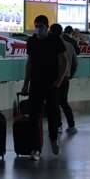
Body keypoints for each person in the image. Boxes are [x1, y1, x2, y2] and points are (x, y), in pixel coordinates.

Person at [21, 15, 68, 159]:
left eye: (41, 26)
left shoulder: (55, 40)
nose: (38, 29)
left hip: (52, 83)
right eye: (36, 26)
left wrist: (59, 80)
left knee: (53, 113)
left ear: (47, 27)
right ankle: (35, 147)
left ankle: (53, 139)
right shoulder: (32, 42)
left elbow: (64, 60)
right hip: (36, 83)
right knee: (34, 116)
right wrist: (26, 84)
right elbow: (29, 63)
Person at [55, 24, 78, 133]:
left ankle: (58, 125)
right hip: (65, 78)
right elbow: (75, 63)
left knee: (54, 102)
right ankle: (71, 125)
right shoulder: (70, 45)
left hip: (54, 78)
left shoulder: (51, 45)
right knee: (64, 102)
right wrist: (70, 74)